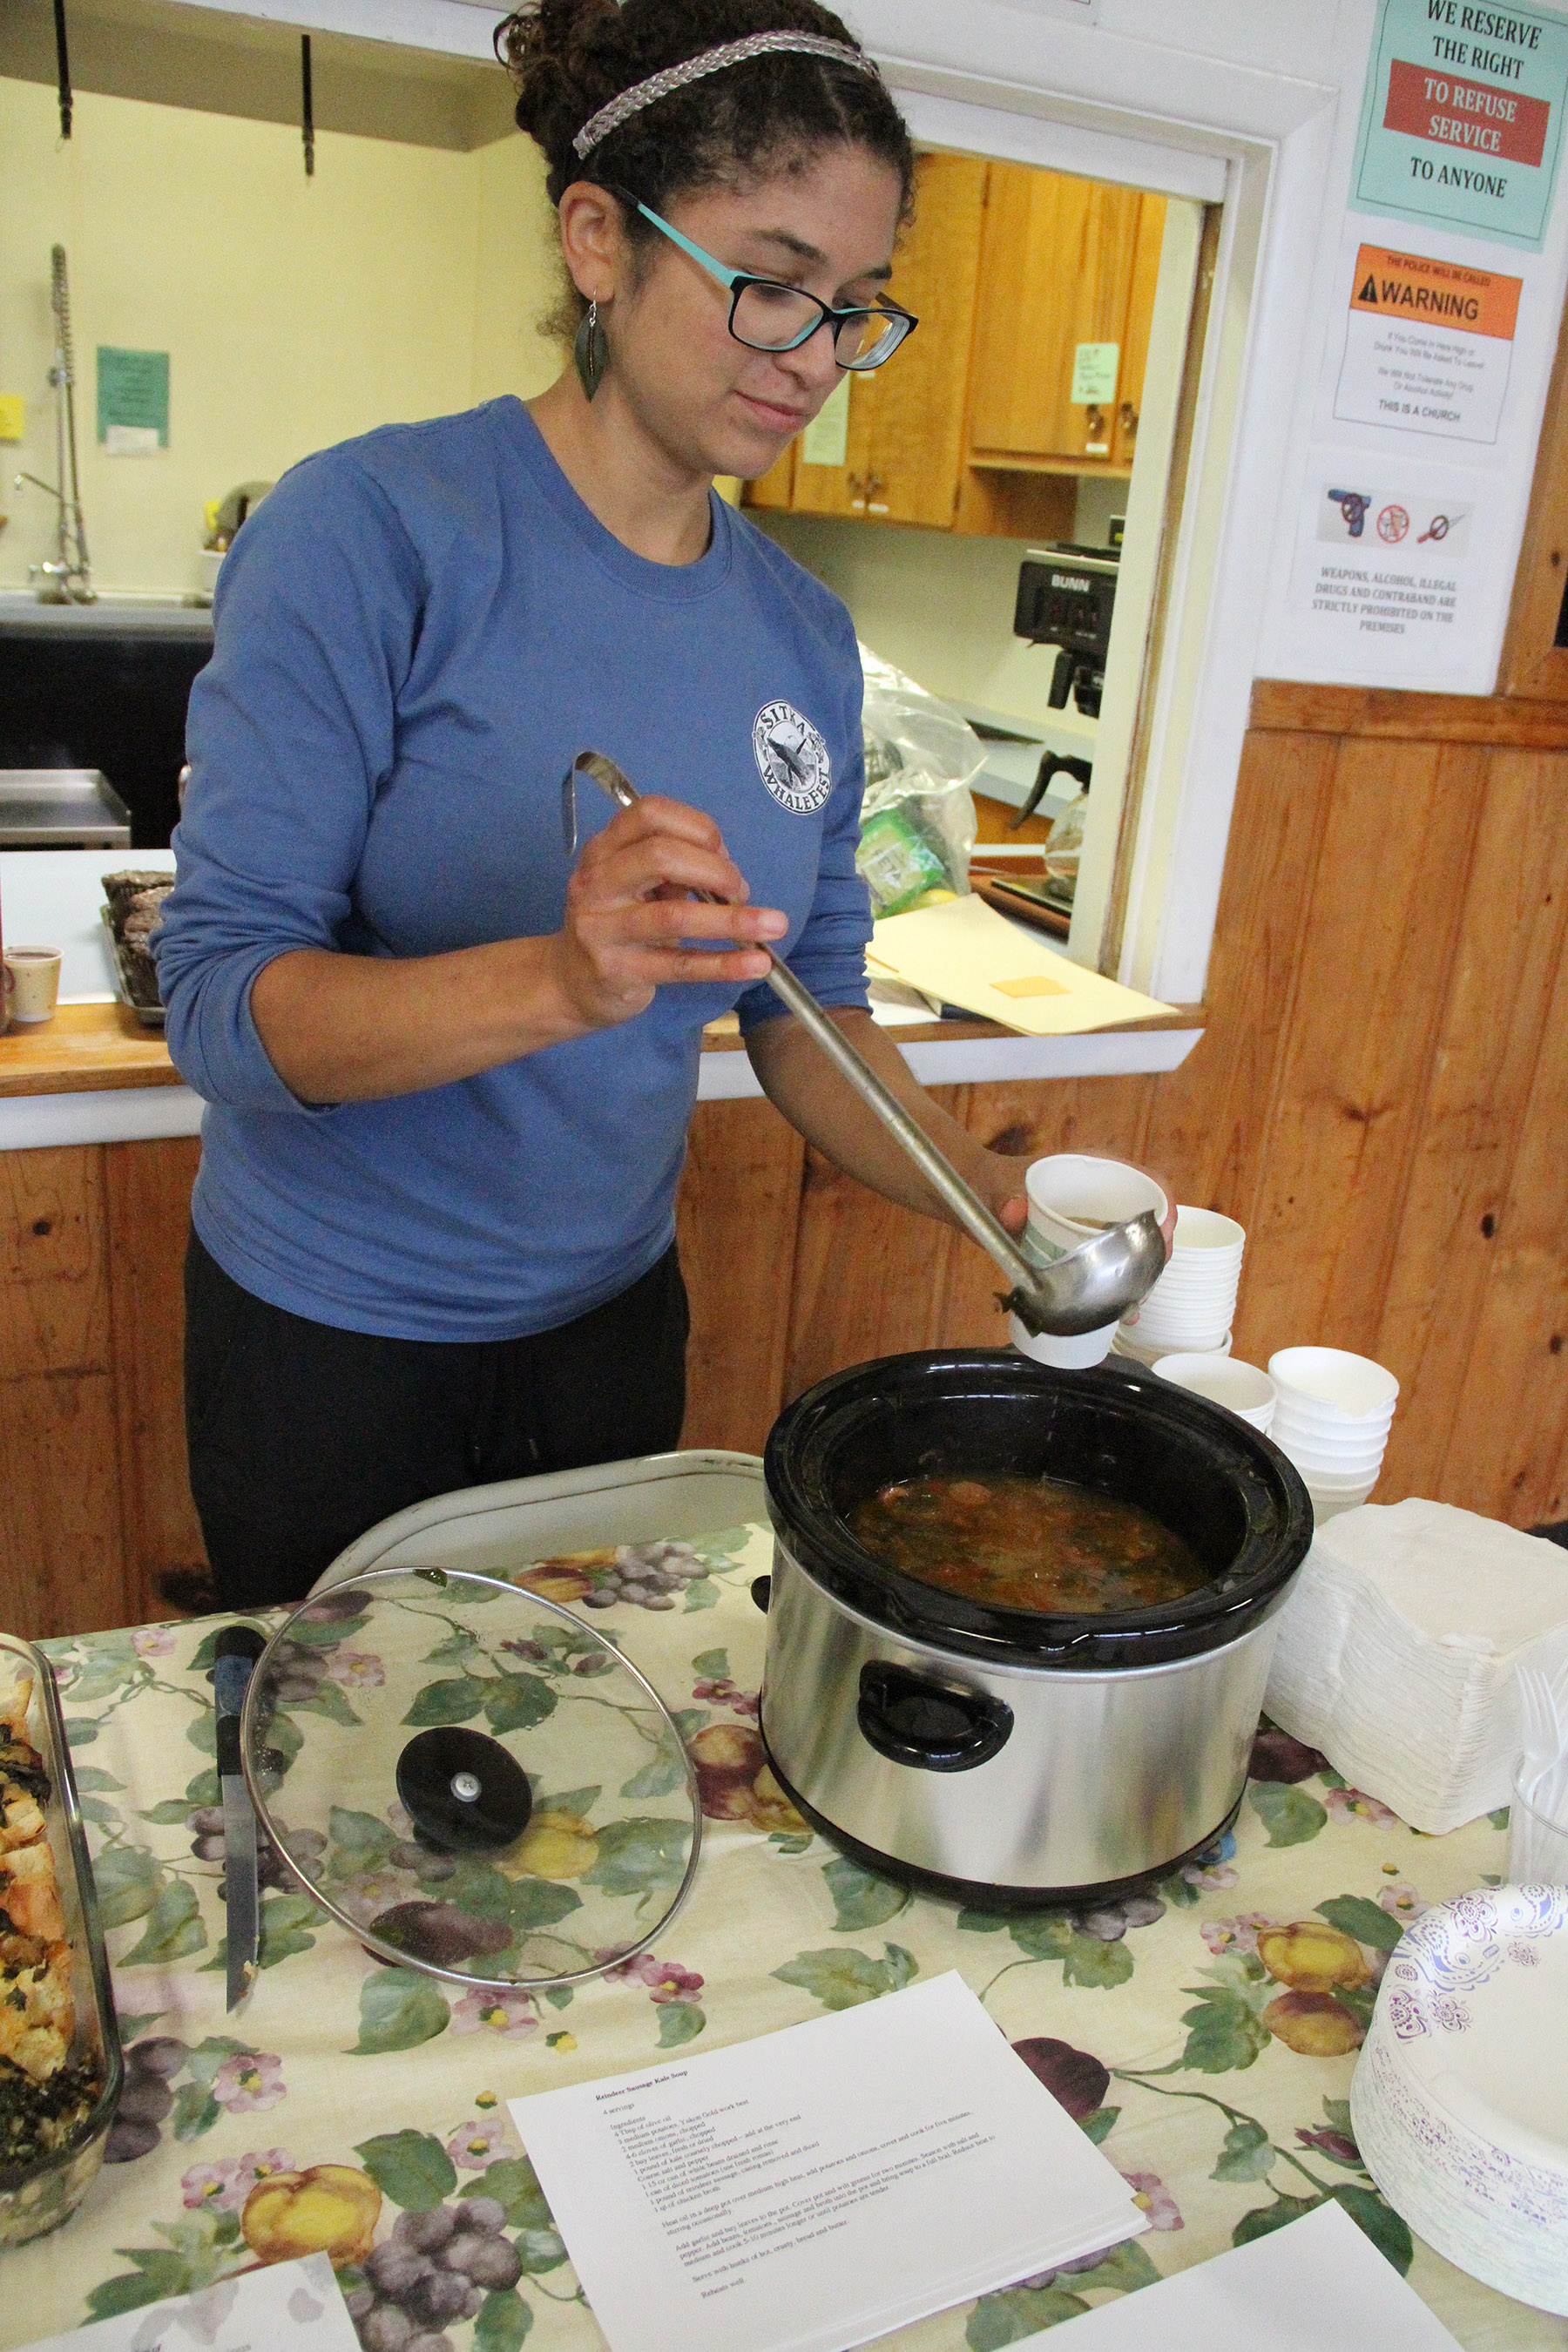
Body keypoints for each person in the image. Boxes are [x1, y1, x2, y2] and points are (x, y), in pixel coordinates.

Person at [156, 0, 1047, 1612]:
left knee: (602, 1742)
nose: (814, 357)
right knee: (350, 1753)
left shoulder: (801, 633)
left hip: (612, 1334)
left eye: (855, 309)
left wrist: (981, 1190)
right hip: (334, 1347)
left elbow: (807, 1010)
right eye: (769, 282)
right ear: (597, 240)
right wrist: (566, 980)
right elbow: (221, 1008)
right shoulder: (370, 533)